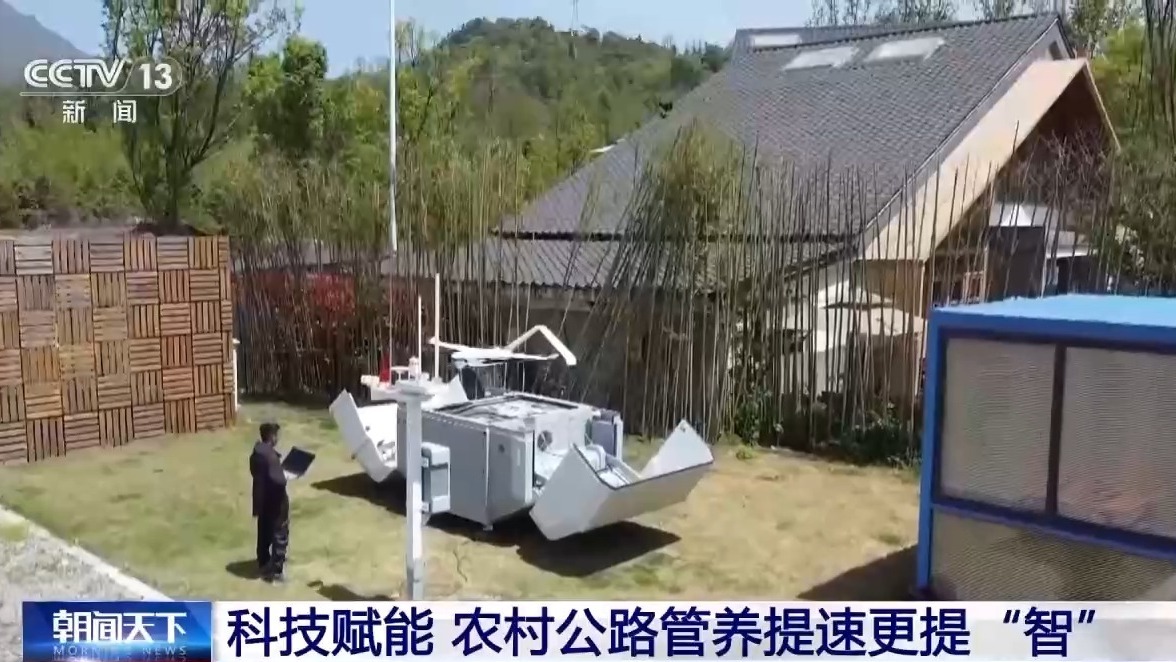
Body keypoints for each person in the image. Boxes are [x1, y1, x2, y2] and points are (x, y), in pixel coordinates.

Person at [250, 422, 288, 583]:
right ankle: (276, 571)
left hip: (262, 499)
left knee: (264, 532)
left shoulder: (257, 453)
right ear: (272, 436)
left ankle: (263, 561)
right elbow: (280, 481)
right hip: (276, 502)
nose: (278, 438)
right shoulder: (270, 456)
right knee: (280, 534)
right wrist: (286, 476)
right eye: (277, 435)